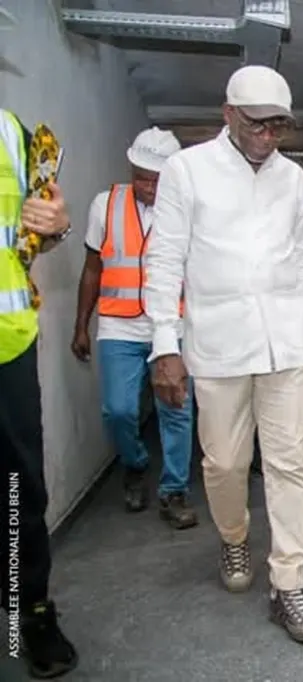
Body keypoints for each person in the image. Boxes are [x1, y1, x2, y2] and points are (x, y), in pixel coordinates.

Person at [143, 65, 303, 644]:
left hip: (287, 343)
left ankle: (289, 581)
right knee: (223, 463)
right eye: (258, 125)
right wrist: (164, 344)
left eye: (279, 128)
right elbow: (165, 258)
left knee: (291, 462)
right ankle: (233, 538)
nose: (269, 138)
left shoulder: (293, 180)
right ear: (229, 115)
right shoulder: (186, 171)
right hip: (219, 345)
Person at [71, 127, 198, 529]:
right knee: (119, 410)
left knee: (176, 409)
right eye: (140, 176)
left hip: (172, 326)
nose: (147, 186)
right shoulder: (104, 205)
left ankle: (173, 490)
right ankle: (136, 464)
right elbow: (93, 268)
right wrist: (81, 325)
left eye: (156, 180)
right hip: (118, 327)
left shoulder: (186, 210)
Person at [0, 106, 79, 677]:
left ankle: (28, 612)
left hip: (5, 341)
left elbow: (35, 230)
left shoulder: (12, 131)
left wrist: (55, 225)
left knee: (16, 489)